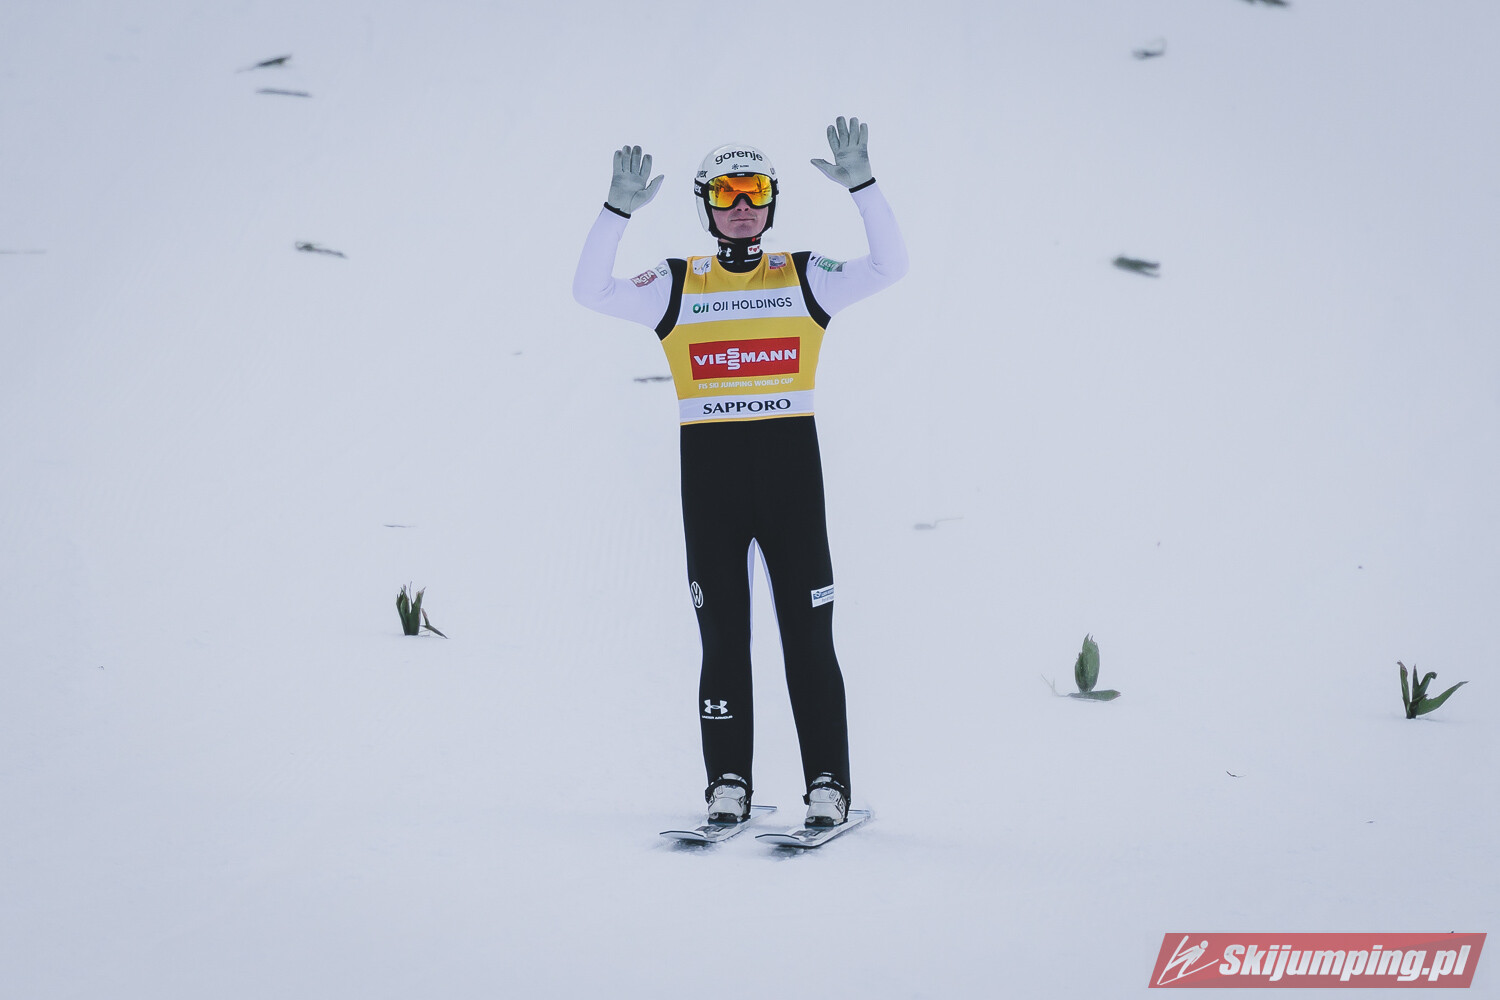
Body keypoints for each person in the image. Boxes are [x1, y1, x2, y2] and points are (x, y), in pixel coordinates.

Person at [572, 117, 908, 827]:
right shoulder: (675, 284)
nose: (743, 205)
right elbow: (590, 292)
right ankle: (727, 783)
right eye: (727, 193)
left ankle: (828, 785)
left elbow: (889, 268)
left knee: (808, 640)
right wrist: (615, 212)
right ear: (705, 205)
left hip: (791, 485)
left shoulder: (805, 275)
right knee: (723, 640)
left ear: (774, 200)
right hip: (713, 488)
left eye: (755, 190)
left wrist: (865, 189)